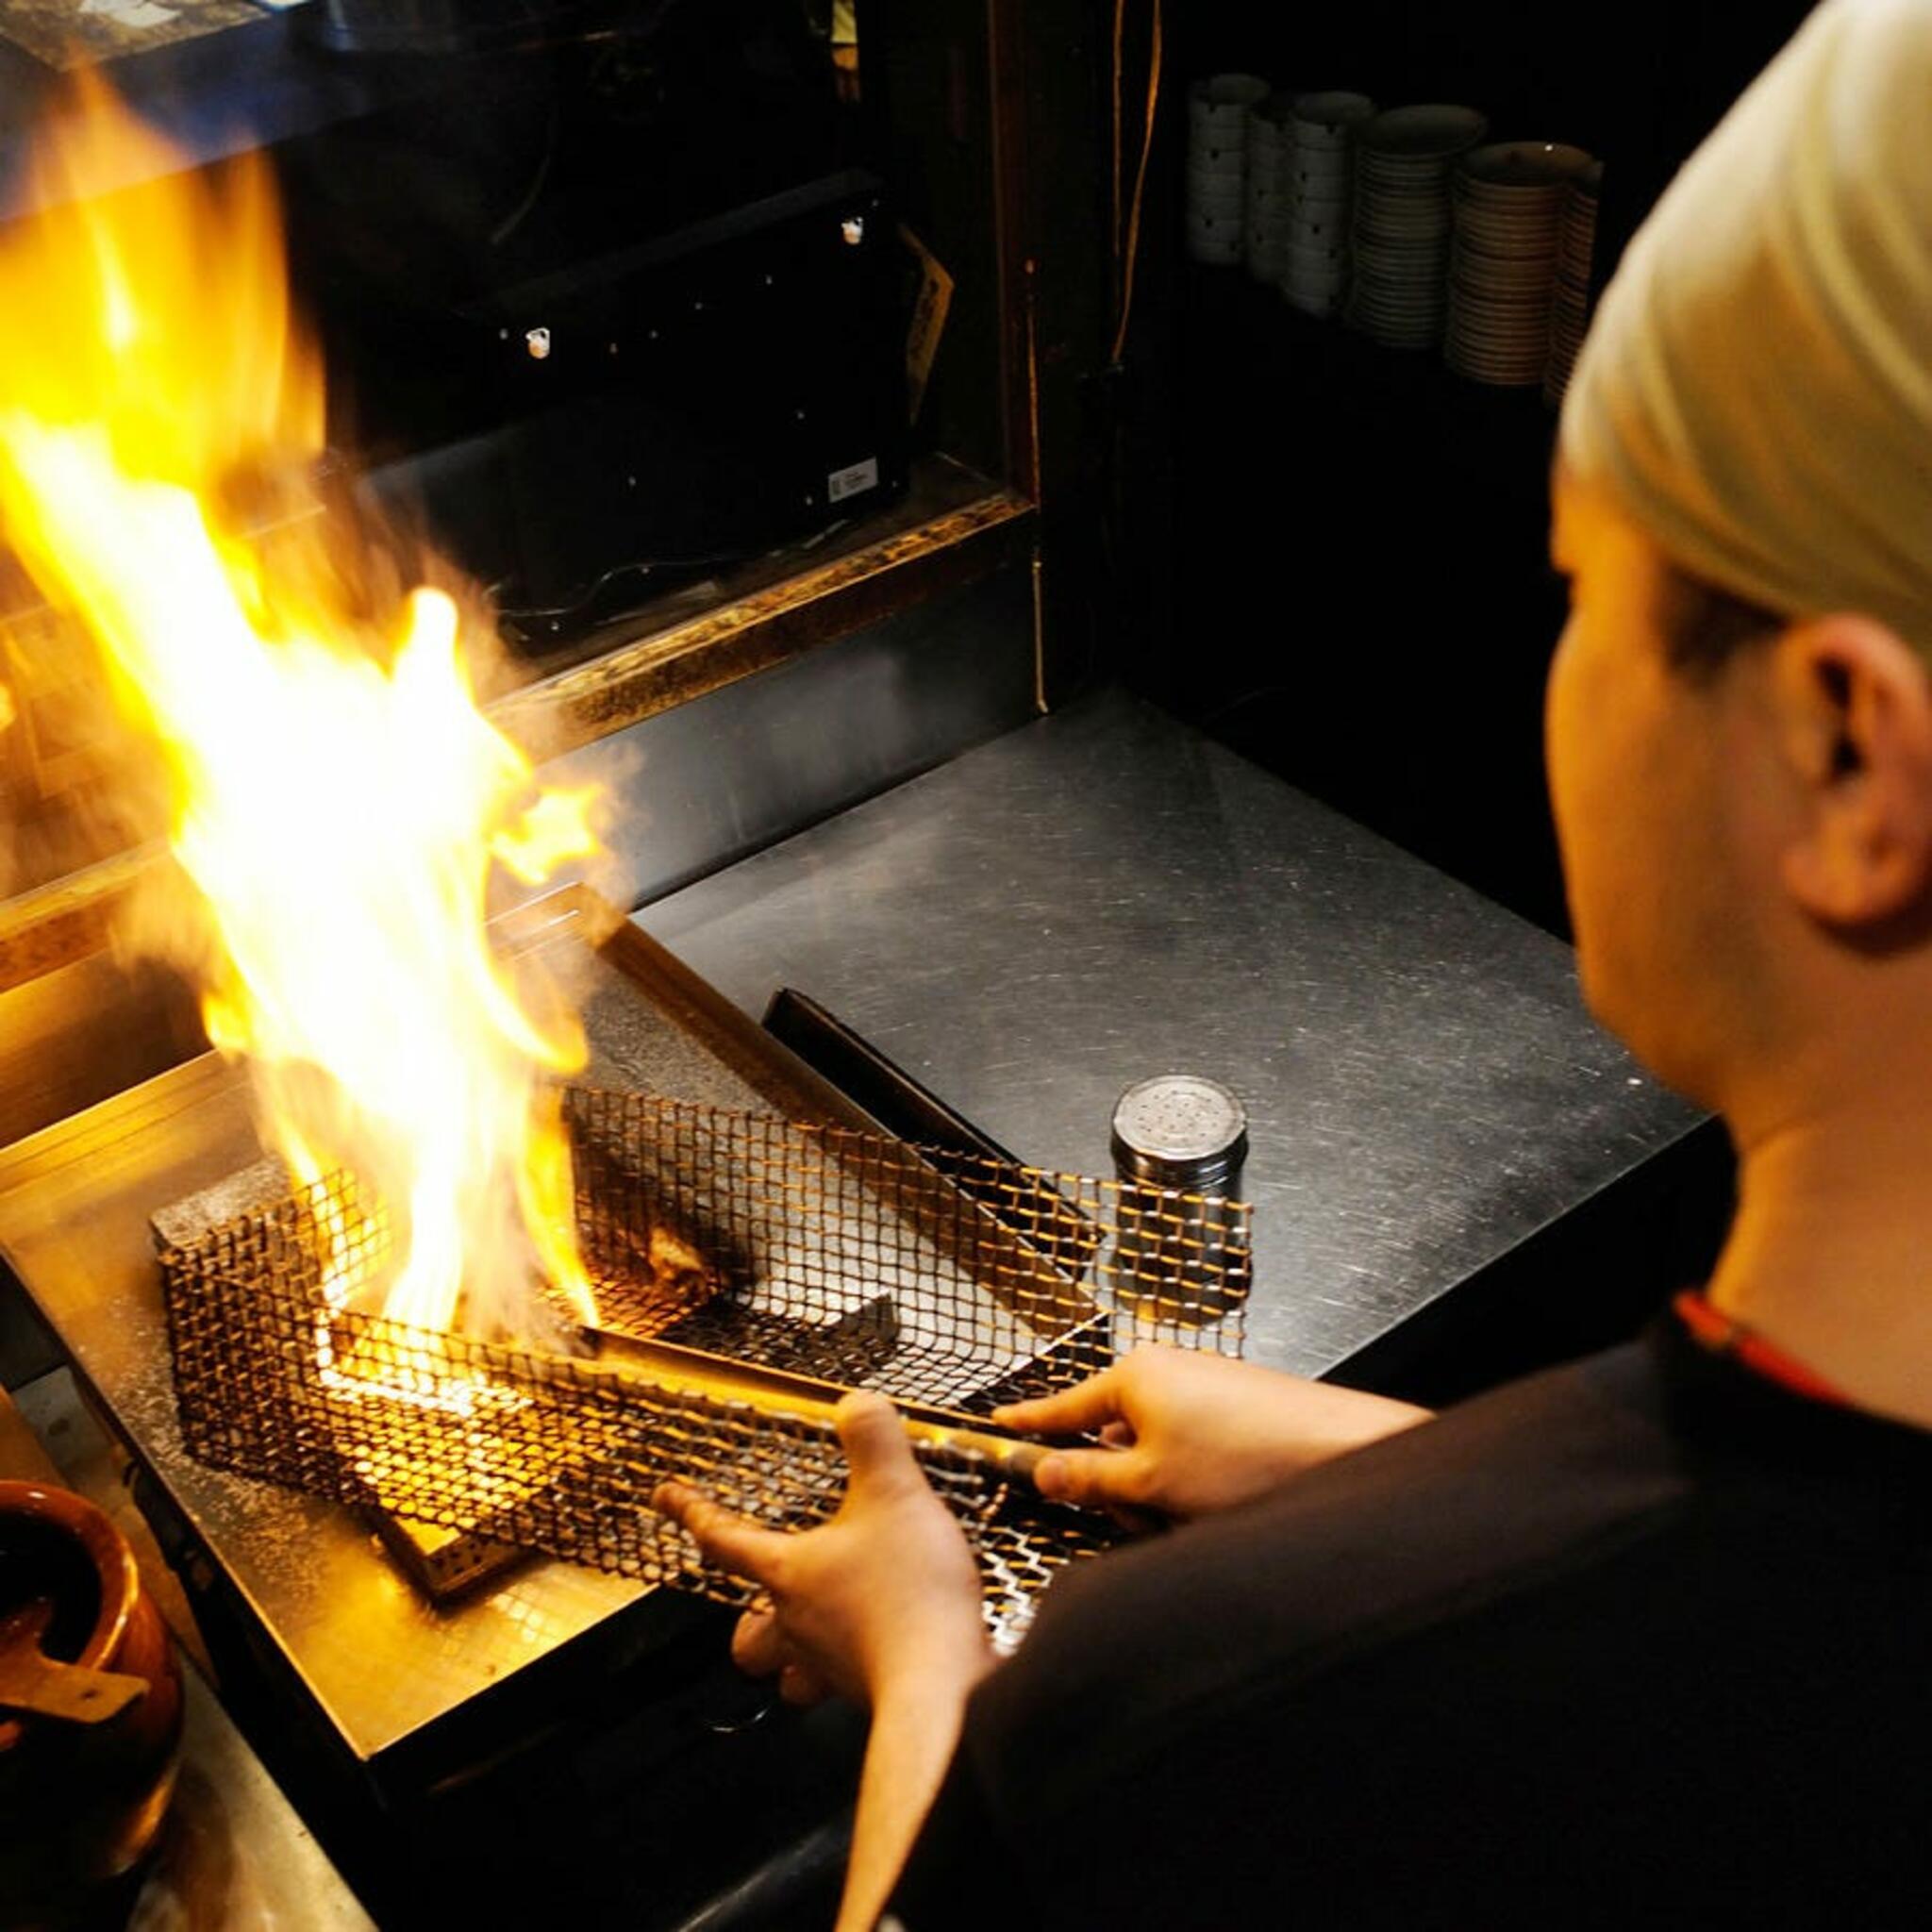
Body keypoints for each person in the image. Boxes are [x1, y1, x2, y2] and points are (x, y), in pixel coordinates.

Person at [655, 1, 1932, 1922]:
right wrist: (1381, 1470)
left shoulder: (1161, 1727)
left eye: (1589, 591)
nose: (1554, 672)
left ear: (1847, 760)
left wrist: (932, 1673)